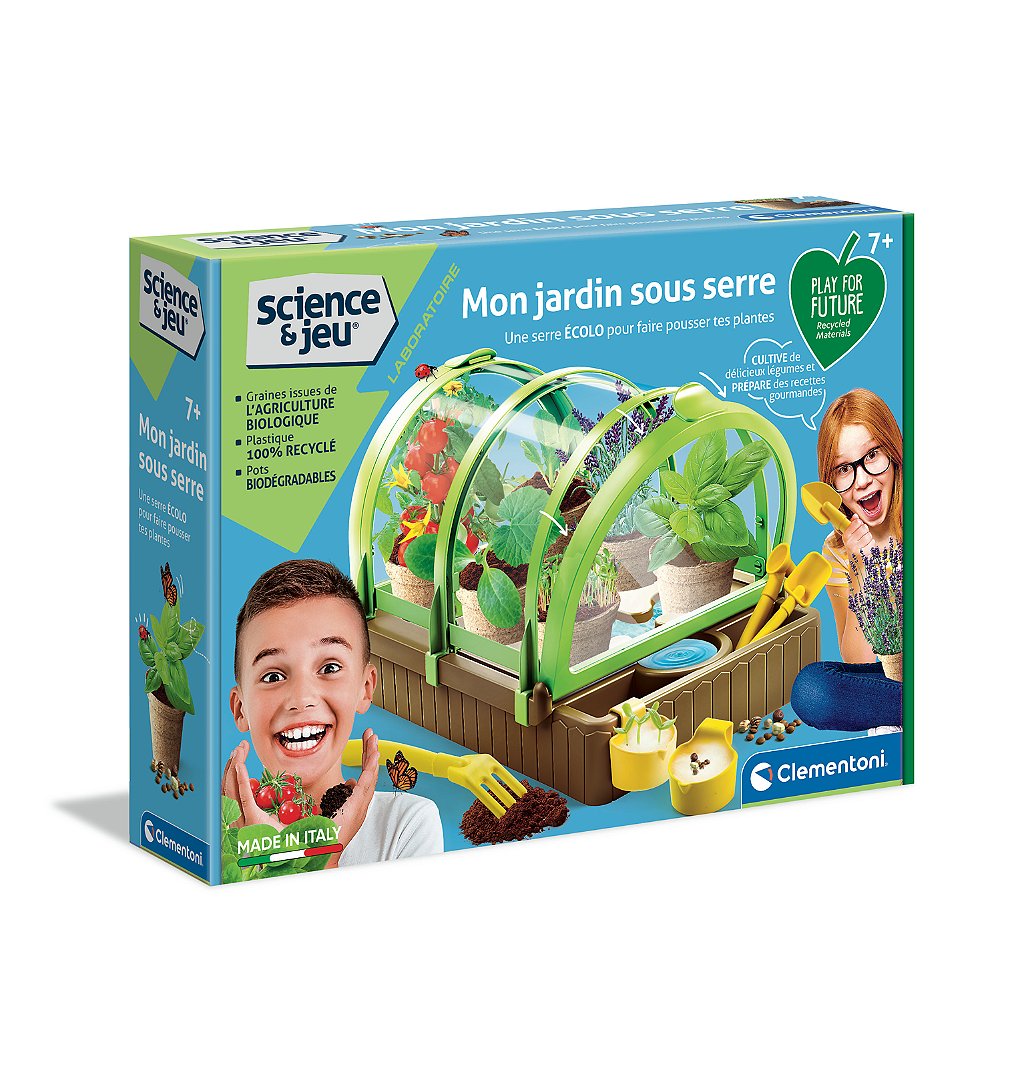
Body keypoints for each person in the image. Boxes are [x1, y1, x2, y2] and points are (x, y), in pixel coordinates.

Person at [221, 559, 443, 866]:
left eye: (329, 668)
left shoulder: (406, 824)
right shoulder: (218, 836)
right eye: (273, 676)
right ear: (240, 709)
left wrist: (326, 856)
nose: (301, 699)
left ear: (365, 688)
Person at [791, 390, 903, 733]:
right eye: (844, 469)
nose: (863, 479)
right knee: (812, 690)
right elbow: (859, 660)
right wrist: (861, 572)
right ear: (831, 482)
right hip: (894, 678)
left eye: (872, 455)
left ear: (894, 452)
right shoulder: (837, 551)